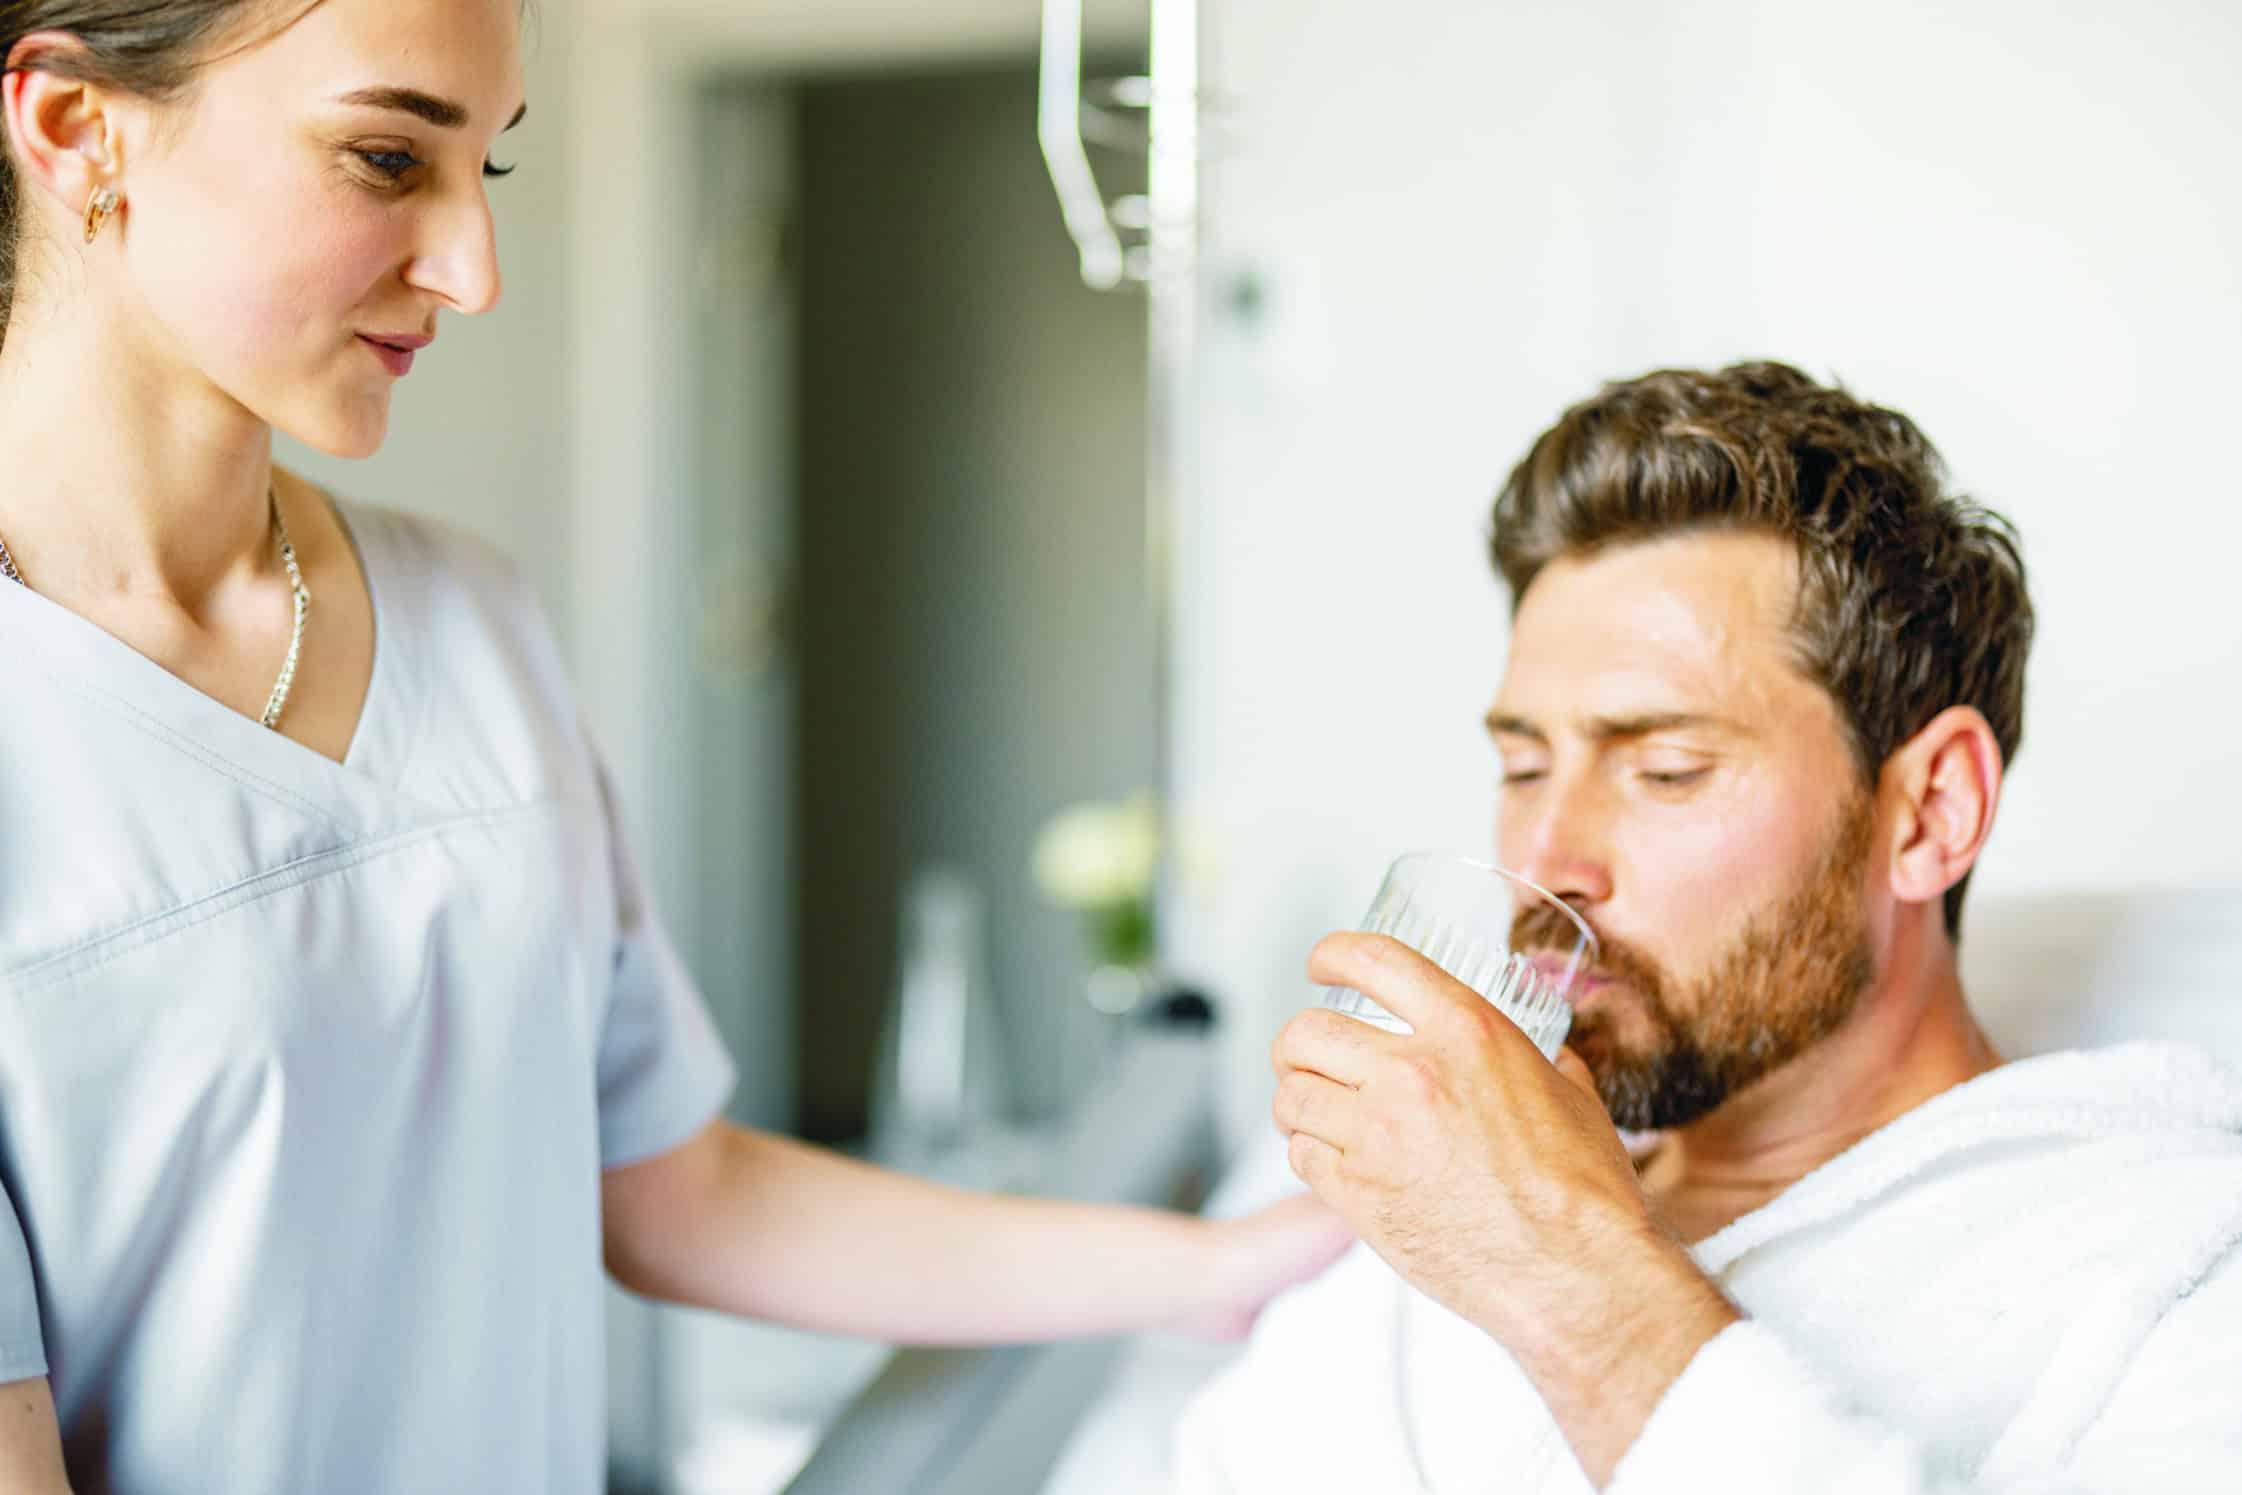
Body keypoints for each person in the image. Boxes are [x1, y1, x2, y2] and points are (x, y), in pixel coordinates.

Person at [0, 3, 1352, 1490]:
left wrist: (1223, 1263)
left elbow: (676, 1188)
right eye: (387, 158)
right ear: (78, 128)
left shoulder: (472, 621)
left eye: (486, 173)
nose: (473, 270)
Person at [1176, 362, 2242, 1492]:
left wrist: (1570, 1274)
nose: (1541, 860)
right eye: (1522, 764)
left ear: (1930, 810)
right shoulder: (1443, 1178)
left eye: (1665, 769)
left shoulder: (2167, 1284)